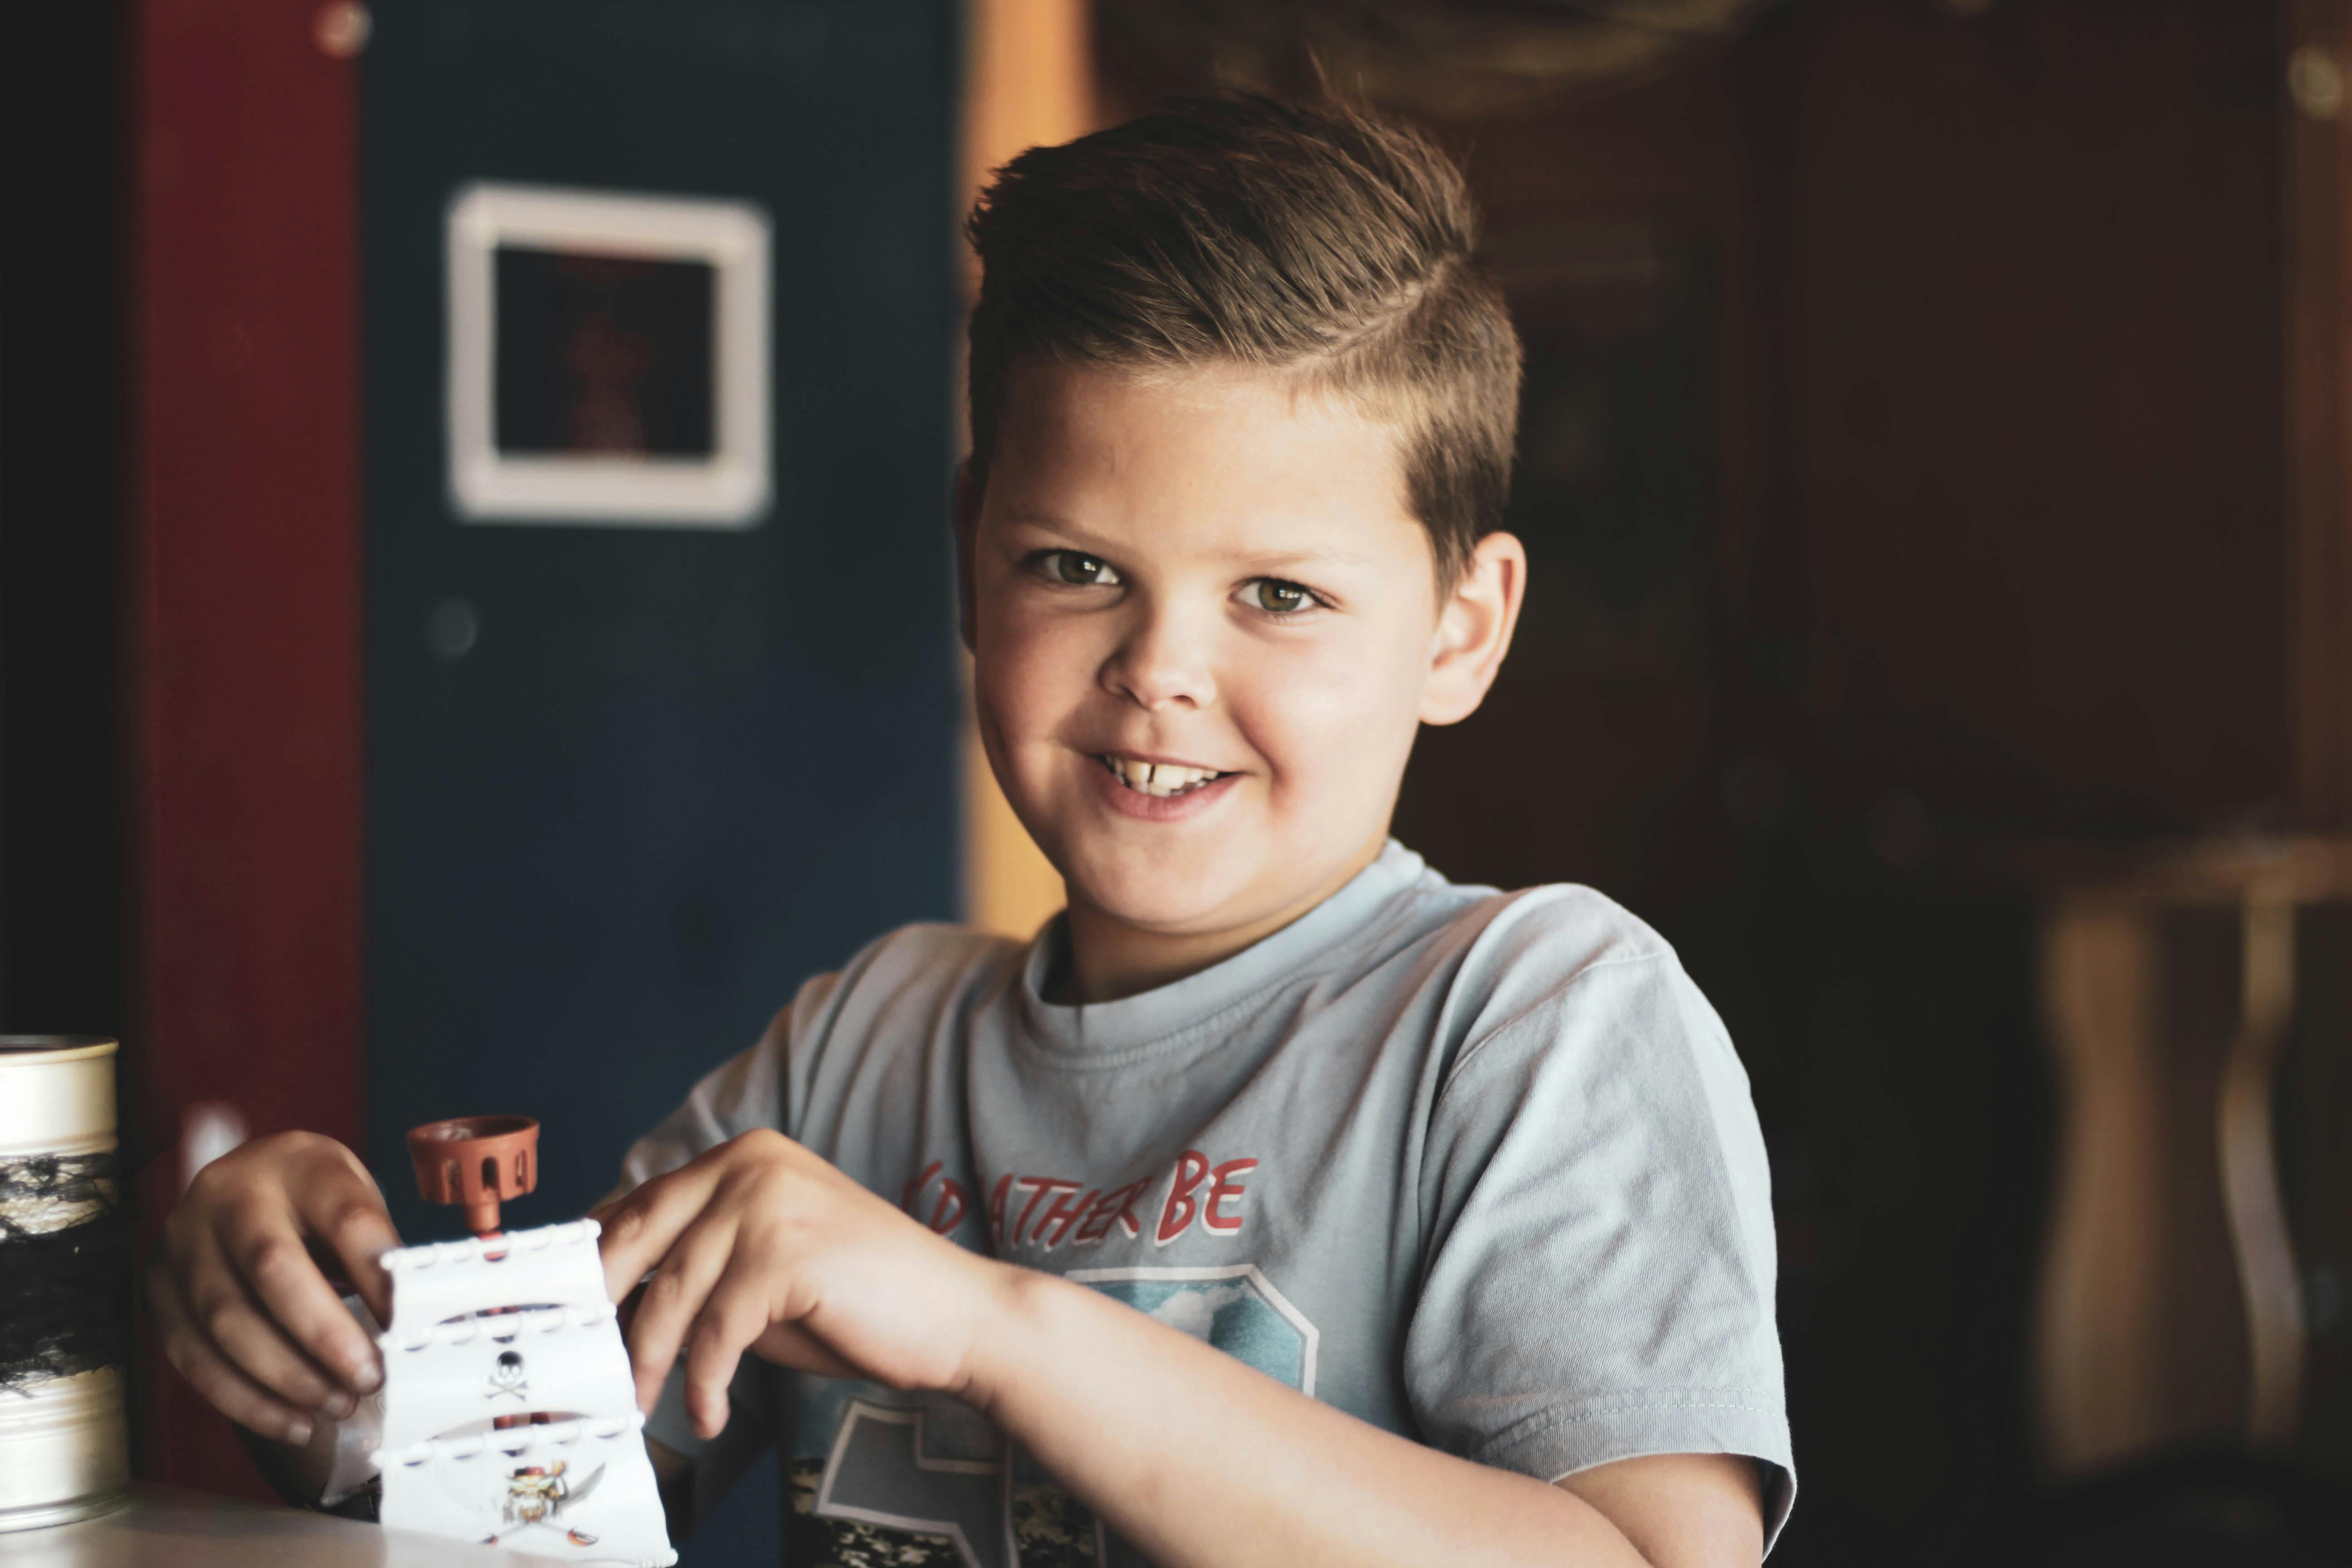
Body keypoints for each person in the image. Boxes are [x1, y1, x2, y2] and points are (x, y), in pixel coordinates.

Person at [152, 95, 1793, 1567]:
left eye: (1278, 596)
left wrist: (998, 1329)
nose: (1158, 671)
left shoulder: (1535, 1021)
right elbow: (509, 1527)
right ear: (969, 555)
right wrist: (315, 1365)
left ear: (1462, 627)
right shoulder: (858, 1051)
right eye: (1076, 567)